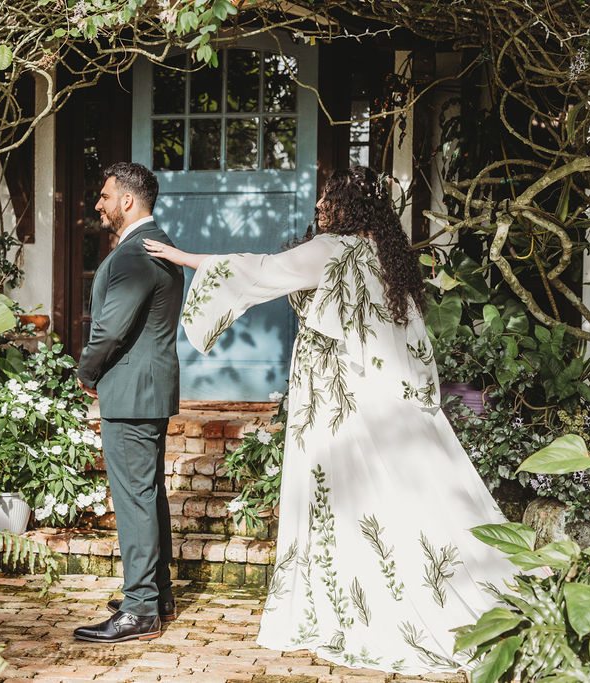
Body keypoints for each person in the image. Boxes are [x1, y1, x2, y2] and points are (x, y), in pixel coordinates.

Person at [143, 166, 518, 673]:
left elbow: (257, 270)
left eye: (326, 202)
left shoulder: (332, 249)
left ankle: (344, 611)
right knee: (381, 497)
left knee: (333, 494)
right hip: (377, 398)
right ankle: (376, 595)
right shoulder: (387, 256)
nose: (318, 210)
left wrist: (185, 258)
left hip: (333, 397)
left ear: (346, 207)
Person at [72, 162, 185, 644]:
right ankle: (155, 592)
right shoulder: (154, 246)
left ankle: (140, 609)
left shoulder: (137, 253)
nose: (98, 203)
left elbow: (112, 328)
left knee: (135, 497)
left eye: (104, 195)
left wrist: (86, 370)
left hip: (131, 393)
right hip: (145, 391)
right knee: (147, 492)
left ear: (126, 200)